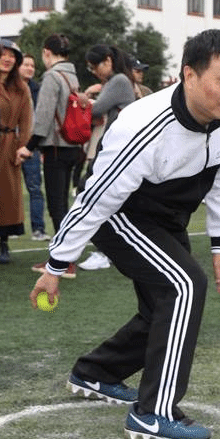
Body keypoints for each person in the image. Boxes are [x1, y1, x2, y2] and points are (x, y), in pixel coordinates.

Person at [28, 29, 220, 439]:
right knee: (184, 286)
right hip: (119, 213)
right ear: (189, 75)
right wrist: (56, 264)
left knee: (163, 306)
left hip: (168, 216)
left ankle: (97, 372)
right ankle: (153, 414)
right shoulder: (143, 124)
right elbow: (95, 200)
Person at [25, 35, 85, 277]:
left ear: (46, 52)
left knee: (56, 205)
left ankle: (62, 261)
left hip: (56, 147)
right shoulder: (73, 76)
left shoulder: (52, 76)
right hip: (73, 146)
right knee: (63, 204)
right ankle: (65, 257)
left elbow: (43, 116)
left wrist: (29, 146)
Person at [76, 43, 138, 271]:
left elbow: (96, 110)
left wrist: (84, 99)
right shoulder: (120, 80)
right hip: (118, 148)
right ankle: (111, 249)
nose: (94, 72)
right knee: (106, 198)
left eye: (95, 67)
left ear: (108, 61)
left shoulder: (119, 81)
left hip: (117, 149)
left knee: (95, 195)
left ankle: (105, 251)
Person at [0, 40, 32, 264]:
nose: (7, 59)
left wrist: (24, 147)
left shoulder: (21, 88)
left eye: (12, 55)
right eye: (3, 54)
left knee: (7, 196)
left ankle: (3, 243)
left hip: (9, 146)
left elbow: (26, 121)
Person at [19, 53, 50, 242]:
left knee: (35, 189)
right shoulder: (7, 87)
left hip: (32, 146)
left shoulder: (38, 90)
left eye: (32, 65)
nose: (30, 68)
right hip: (10, 144)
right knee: (6, 188)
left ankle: (38, 228)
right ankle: (1, 229)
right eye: (26, 64)